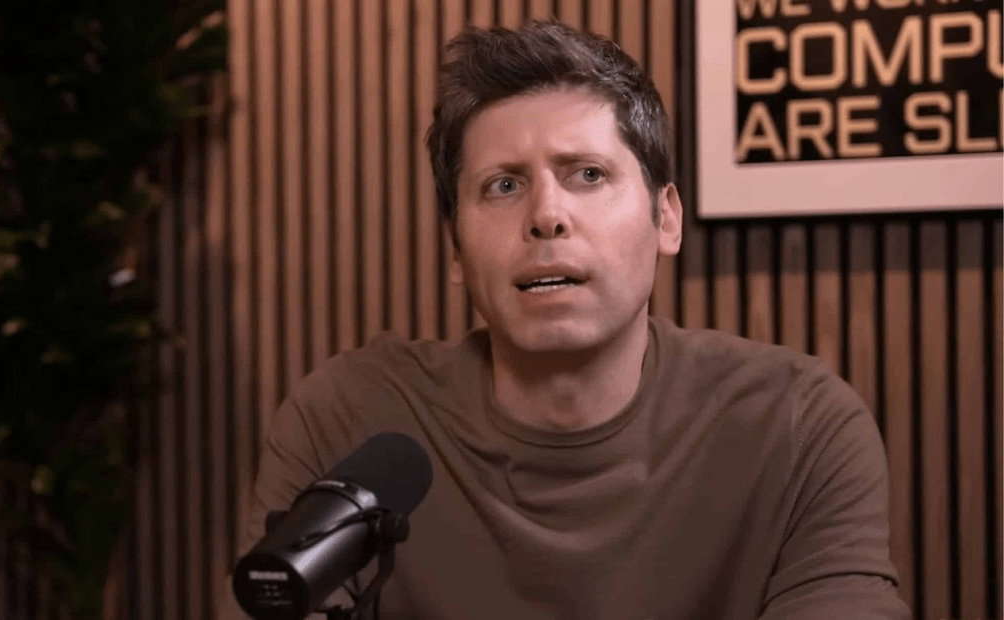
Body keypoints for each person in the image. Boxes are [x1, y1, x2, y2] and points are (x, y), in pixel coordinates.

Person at [226, 20, 911, 620]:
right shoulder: (349, 418)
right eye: (503, 185)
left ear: (665, 217)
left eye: (587, 174)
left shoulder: (798, 424)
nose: (546, 215)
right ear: (456, 250)